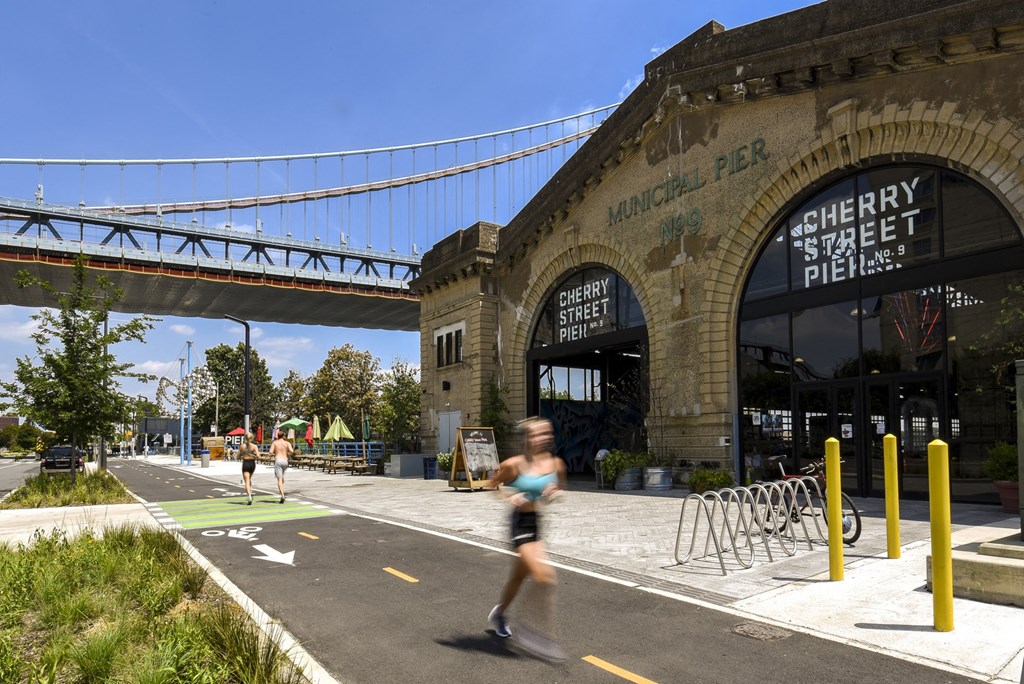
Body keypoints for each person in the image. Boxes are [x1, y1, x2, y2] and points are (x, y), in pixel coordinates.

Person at [487, 417, 567, 661]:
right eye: (536, 434)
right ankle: (535, 633)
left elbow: (560, 488)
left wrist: (553, 493)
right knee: (545, 576)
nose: (542, 438)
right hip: (518, 524)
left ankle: (500, 613)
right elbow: (492, 484)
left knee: (518, 577)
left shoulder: (556, 464)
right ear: (526, 438)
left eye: (546, 433)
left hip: (536, 524)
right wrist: (510, 497)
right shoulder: (514, 465)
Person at [269, 431, 294, 504]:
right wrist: (287, 453)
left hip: (278, 460)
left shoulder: (275, 443)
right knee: (282, 478)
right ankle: (283, 492)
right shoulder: (287, 443)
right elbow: (292, 451)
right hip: (285, 461)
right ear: (283, 436)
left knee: (279, 479)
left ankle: (282, 495)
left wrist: (275, 453)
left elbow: (270, 452)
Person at [238, 431, 259, 505]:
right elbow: (258, 456)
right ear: (252, 438)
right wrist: (253, 455)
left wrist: (242, 456)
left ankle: (249, 496)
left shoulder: (242, 446)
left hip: (246, 463)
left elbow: (238, 456)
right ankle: (250, 491)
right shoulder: (254, 446)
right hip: (252, 463)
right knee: (249, 479)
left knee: (246, 481)